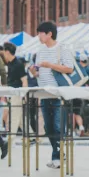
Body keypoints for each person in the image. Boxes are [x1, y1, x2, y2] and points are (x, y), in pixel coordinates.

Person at [29, 21, 75, 169]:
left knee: (57, 125)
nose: (38, 36)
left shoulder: (62, 48)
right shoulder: (40, 51)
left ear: (49, 34)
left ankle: (58, 156)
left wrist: (50, 65)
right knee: (48, 127)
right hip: (44, 93)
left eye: (40, 33)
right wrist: (33, 72)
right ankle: (58, 153)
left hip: (58, 93)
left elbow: (69, 68)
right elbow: (39, 73)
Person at [0, 42, 28, 135]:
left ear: (7, 52)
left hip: (17, 94)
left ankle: (10, 139)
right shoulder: (10, 64)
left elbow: (24, 80)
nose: (3, 54)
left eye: (4, 52)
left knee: (14, 118)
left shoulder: (18, 64)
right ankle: (32, 137)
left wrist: (24, 94)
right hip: (11, 94)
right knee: (19, 119)